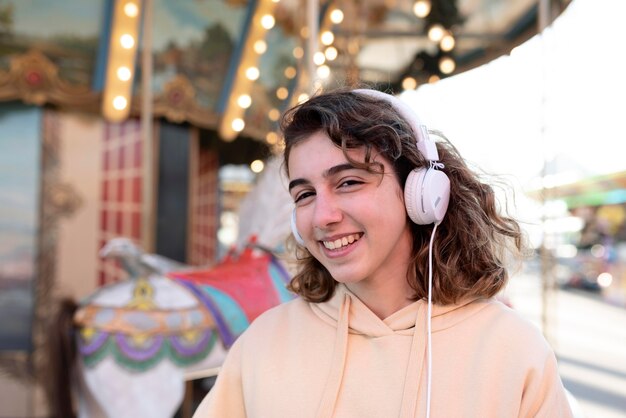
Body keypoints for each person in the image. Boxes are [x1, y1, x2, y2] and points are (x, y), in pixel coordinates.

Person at [192, 88, 573, 417]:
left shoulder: (514, 352)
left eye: (349, 182)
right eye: (305, 194)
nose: (322, 216)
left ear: (421, 192)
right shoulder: (263, 343)